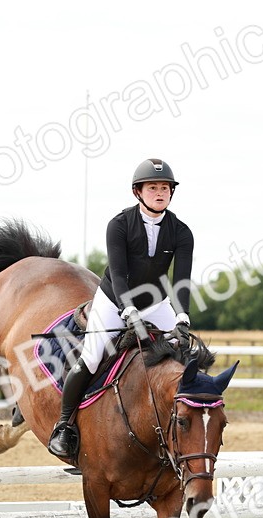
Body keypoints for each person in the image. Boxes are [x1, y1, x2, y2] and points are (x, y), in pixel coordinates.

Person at [47, 158, 195, 458]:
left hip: (156, 304)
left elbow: (181, 279)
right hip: (114, 300)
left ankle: (189, 423)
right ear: (137, 192)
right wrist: (127, 311)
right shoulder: (119, 225)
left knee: (186, 355)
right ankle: (64, 425)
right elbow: (118, 273)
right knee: (91, 358)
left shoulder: (181, 232)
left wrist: (182, 318)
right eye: (152, 188)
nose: (160, 193)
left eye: (165, 188)